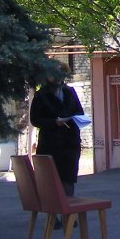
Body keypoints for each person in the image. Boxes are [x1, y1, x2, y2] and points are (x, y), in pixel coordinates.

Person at [29, 61, 84, 210]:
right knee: (51, 181)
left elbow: (80, 113)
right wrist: (54, 122)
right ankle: (54, 216)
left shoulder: (70, 92)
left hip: (70, 144)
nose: (58, 77)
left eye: (61, 73)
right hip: (50, 145)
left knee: (69, 179)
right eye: (55, 73)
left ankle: (68, 212)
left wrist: (72, 119)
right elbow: (35, 120)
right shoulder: (41, 95)